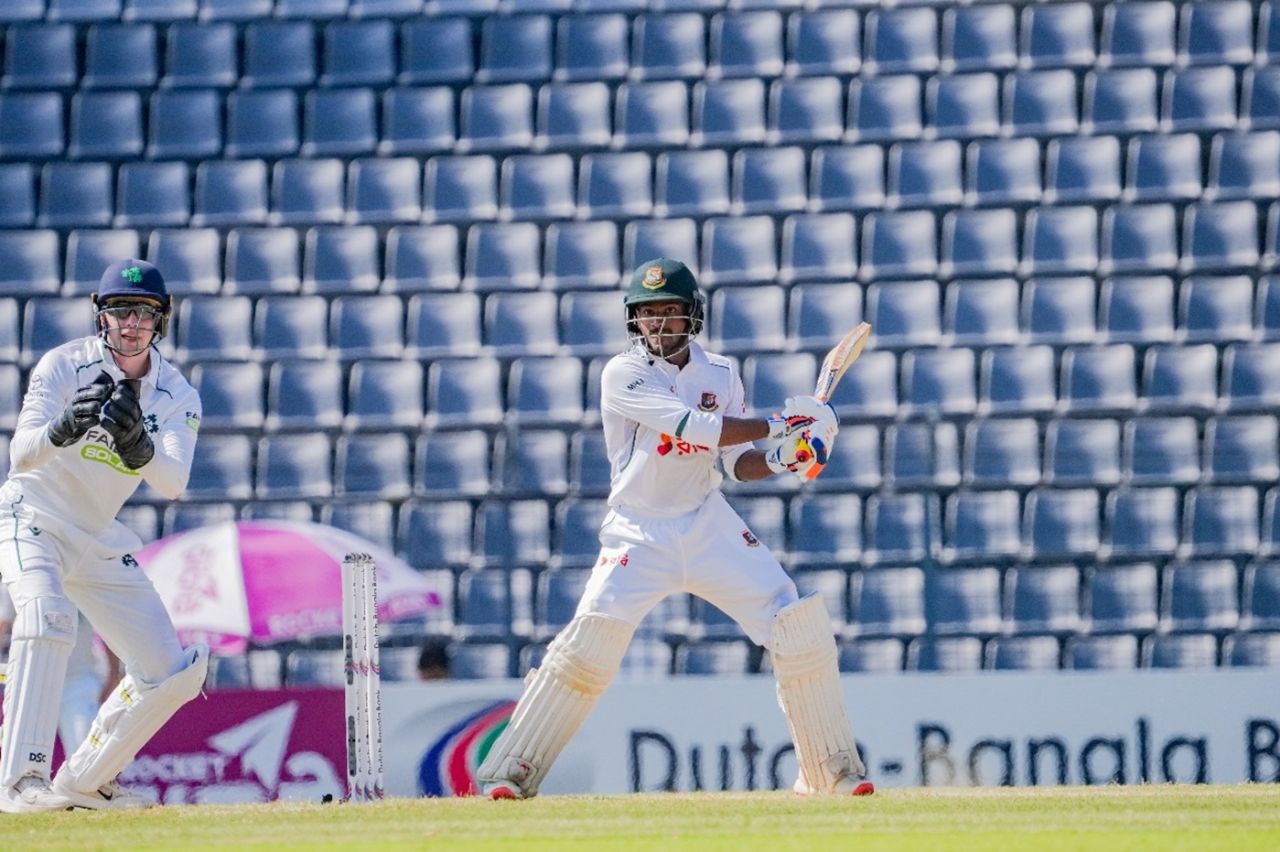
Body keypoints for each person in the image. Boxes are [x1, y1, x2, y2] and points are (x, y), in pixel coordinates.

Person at [477, 258, 874, 800]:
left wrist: (785, 456)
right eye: (647, 315)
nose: (659, 325)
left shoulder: (721, 374)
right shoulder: (623, 373)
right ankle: (511, 771)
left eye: (670, 312)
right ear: (632, 321)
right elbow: (695, 426)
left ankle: (829, 772)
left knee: (793, 621)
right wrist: (785, 421)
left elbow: (732, 461)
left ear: (693, 316)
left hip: (706, 521)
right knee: (588, 644)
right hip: (637, 530)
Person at [0, 259, 207, 813]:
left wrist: (140, 446)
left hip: (95, 534)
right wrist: (61, 428)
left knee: (174, 670)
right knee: (46, 614)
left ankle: (84, 781)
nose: (132, 323)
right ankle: (20, 782)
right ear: (102, 315)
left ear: (160, 320)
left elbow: (173, 484)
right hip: (31, 515)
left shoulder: (176, 394)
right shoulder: (62, 365)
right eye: (120, 311)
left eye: (143, 312)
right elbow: (20, 456)